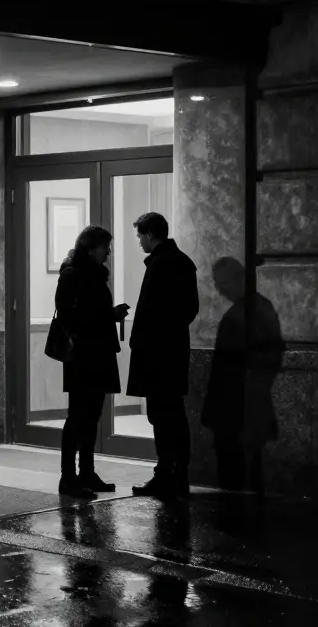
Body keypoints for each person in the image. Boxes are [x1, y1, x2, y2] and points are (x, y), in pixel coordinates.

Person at [125, 213, 199, 498]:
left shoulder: (159, 264)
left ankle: (165, 474)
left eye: (140, 236)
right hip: (173, 352)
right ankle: (178, 474)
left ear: (150, 234)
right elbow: (188, 311)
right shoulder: (182, 262)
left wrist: (144, 342)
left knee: (162, 416)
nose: (139, 242)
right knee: (173, 415)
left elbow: (150, 313)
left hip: (156, 355)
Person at [53, 225, 130, 498]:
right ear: (90, 247)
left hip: (97, 353)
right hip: (83, 356)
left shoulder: (94, 275)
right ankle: (68, 477)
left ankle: (86, 471)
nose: (107, 253)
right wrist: (109, 316)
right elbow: (70, 316)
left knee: (92, 415)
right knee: (78, 416)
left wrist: (109, 314)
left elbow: (88, 312)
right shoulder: (73, 274)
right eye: (104, 248)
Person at [201, 257, 285, 495]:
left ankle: (235, 519)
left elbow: (226, 368)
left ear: (238, 279)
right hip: (246, 402)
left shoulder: (241, 315)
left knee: (233, 468)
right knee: (248, 465)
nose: (218, 289)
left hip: (236, 405)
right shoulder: (259, 308)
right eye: (217, 283)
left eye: (222, 282)